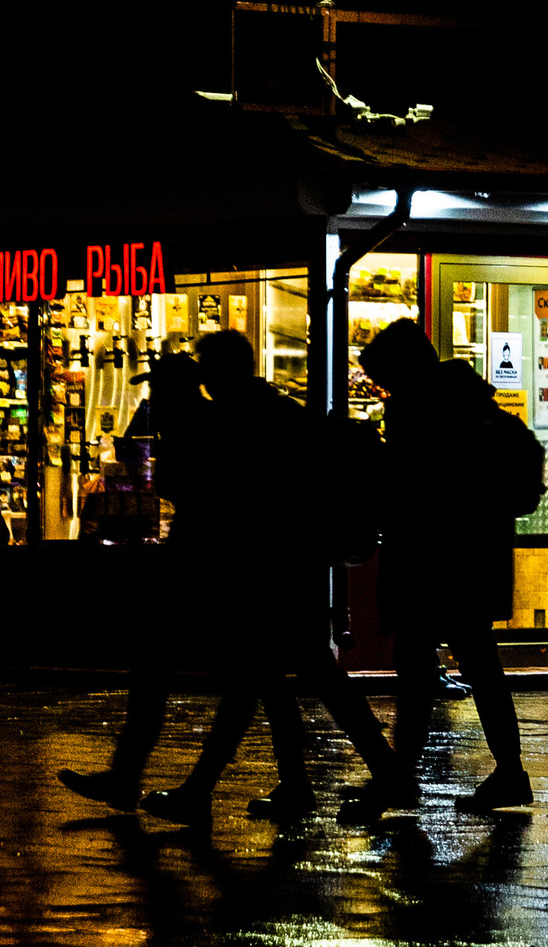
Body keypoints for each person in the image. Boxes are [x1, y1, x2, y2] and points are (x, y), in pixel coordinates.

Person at [123, 333, 401, 824]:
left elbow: (227, 496)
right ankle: (317, 781)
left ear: (230, 368)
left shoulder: (245, 418)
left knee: (264, 675)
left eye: (211, 369)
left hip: (270, 566)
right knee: (287, 674)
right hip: (287, 561)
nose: (206, 380)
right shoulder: (272, 410)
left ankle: (211, 789)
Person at [353, 318, 540, 813]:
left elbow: (417, 488)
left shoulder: (425, 408)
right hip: (470, 557)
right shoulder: (468, 401)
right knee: (472, 664)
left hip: (436, 559)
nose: (382, 387)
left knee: (420, 669)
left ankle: (405, 778)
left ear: (402, 368)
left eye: (384, 377)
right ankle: (505, 772)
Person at [55, 354, 206, 812]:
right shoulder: (196, 423)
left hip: (205, 563)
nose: (151, 397)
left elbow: (174, 486)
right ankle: (136, 777)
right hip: (204, 561)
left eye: (157, 388)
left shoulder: (191, 428)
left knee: (162, 665)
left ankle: (139, 779)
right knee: (168, 666)